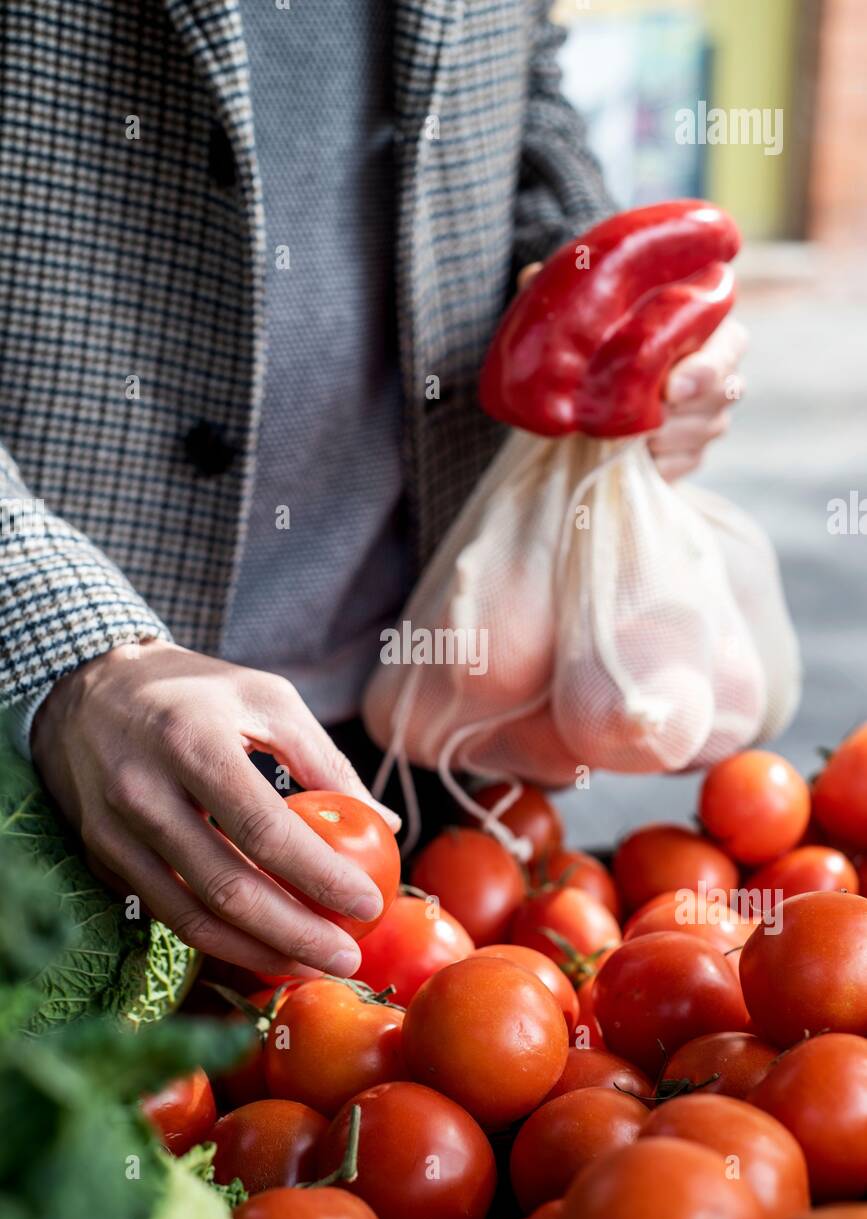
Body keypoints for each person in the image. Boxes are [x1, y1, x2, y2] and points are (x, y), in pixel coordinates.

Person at [0, 2, 745, 980]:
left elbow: (522, 83)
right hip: (56, 721)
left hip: (422, 706)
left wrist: (595, 287)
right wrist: (60, 638)